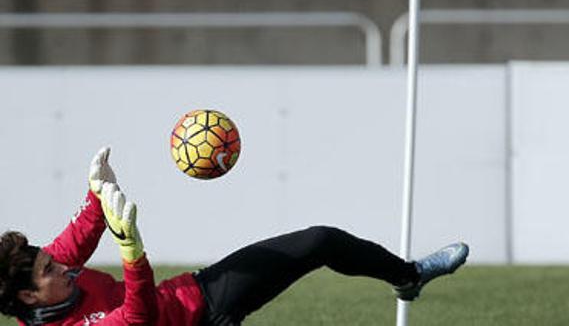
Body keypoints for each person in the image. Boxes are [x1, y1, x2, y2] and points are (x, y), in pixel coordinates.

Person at [0, 147, 469, 325]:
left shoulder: (52, 267)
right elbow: (136, 316)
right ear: (28, 295)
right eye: (48, 270)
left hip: (200, 296)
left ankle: (408, 276)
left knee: (319, 240)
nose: (61, 264)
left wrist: (98, 191)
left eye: (51, 259)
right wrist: (133, 251)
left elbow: (80, 235)